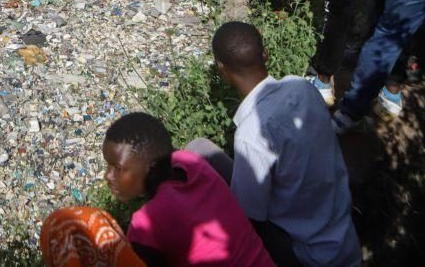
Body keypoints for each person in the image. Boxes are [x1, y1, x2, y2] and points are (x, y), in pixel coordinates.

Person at [208, 22, 361, 267]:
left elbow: (250, 218)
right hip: (344, 242)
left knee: (201, 151)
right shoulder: (302, 88)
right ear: (265, 54)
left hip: (308, 255)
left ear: (222, 70)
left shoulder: (250, 135)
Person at [40, 112, 274, 267]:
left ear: (150, 168)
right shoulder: (193, 164)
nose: (108, 176)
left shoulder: (147, 224)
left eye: (118, 168)